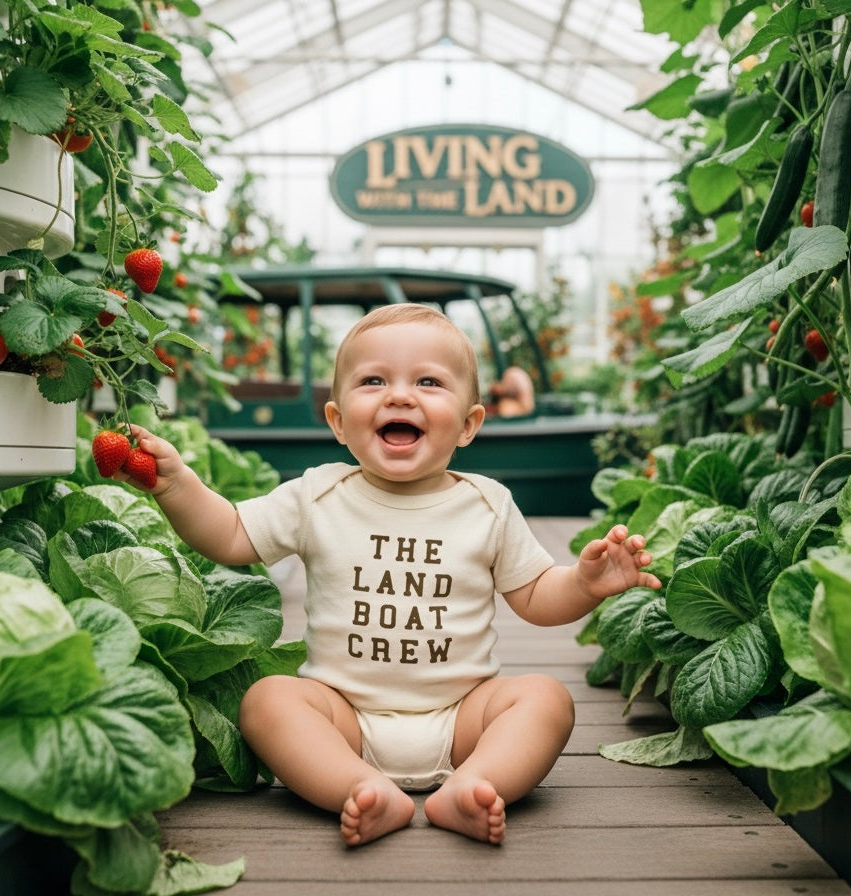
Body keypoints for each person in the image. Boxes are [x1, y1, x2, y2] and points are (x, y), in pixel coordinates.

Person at [118, 303, 661, 848]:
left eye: (428, 381)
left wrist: (586, 585)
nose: (399, 396)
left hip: (463, 717)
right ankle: (358, 788)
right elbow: (233, 534)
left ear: (469, 424)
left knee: (547, 699)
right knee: (268, 702)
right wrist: (177, 487)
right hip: (344, 717)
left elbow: (537, 596)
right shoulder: (318, 495)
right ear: (337, 421)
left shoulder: (488, 506)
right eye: (373, 380)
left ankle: (474, 785)